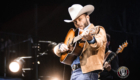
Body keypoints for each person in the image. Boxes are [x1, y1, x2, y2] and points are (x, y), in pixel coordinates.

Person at [53, 4, 107, 80]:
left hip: (87, 72)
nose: (77, 23)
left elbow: (99, 43)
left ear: (87, 17)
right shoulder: (74, 34)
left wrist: (90, 38)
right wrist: (59, 47)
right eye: (75, 21)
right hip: (74, 72)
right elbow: (56, 51)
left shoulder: (98, 29)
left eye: (80, 19)